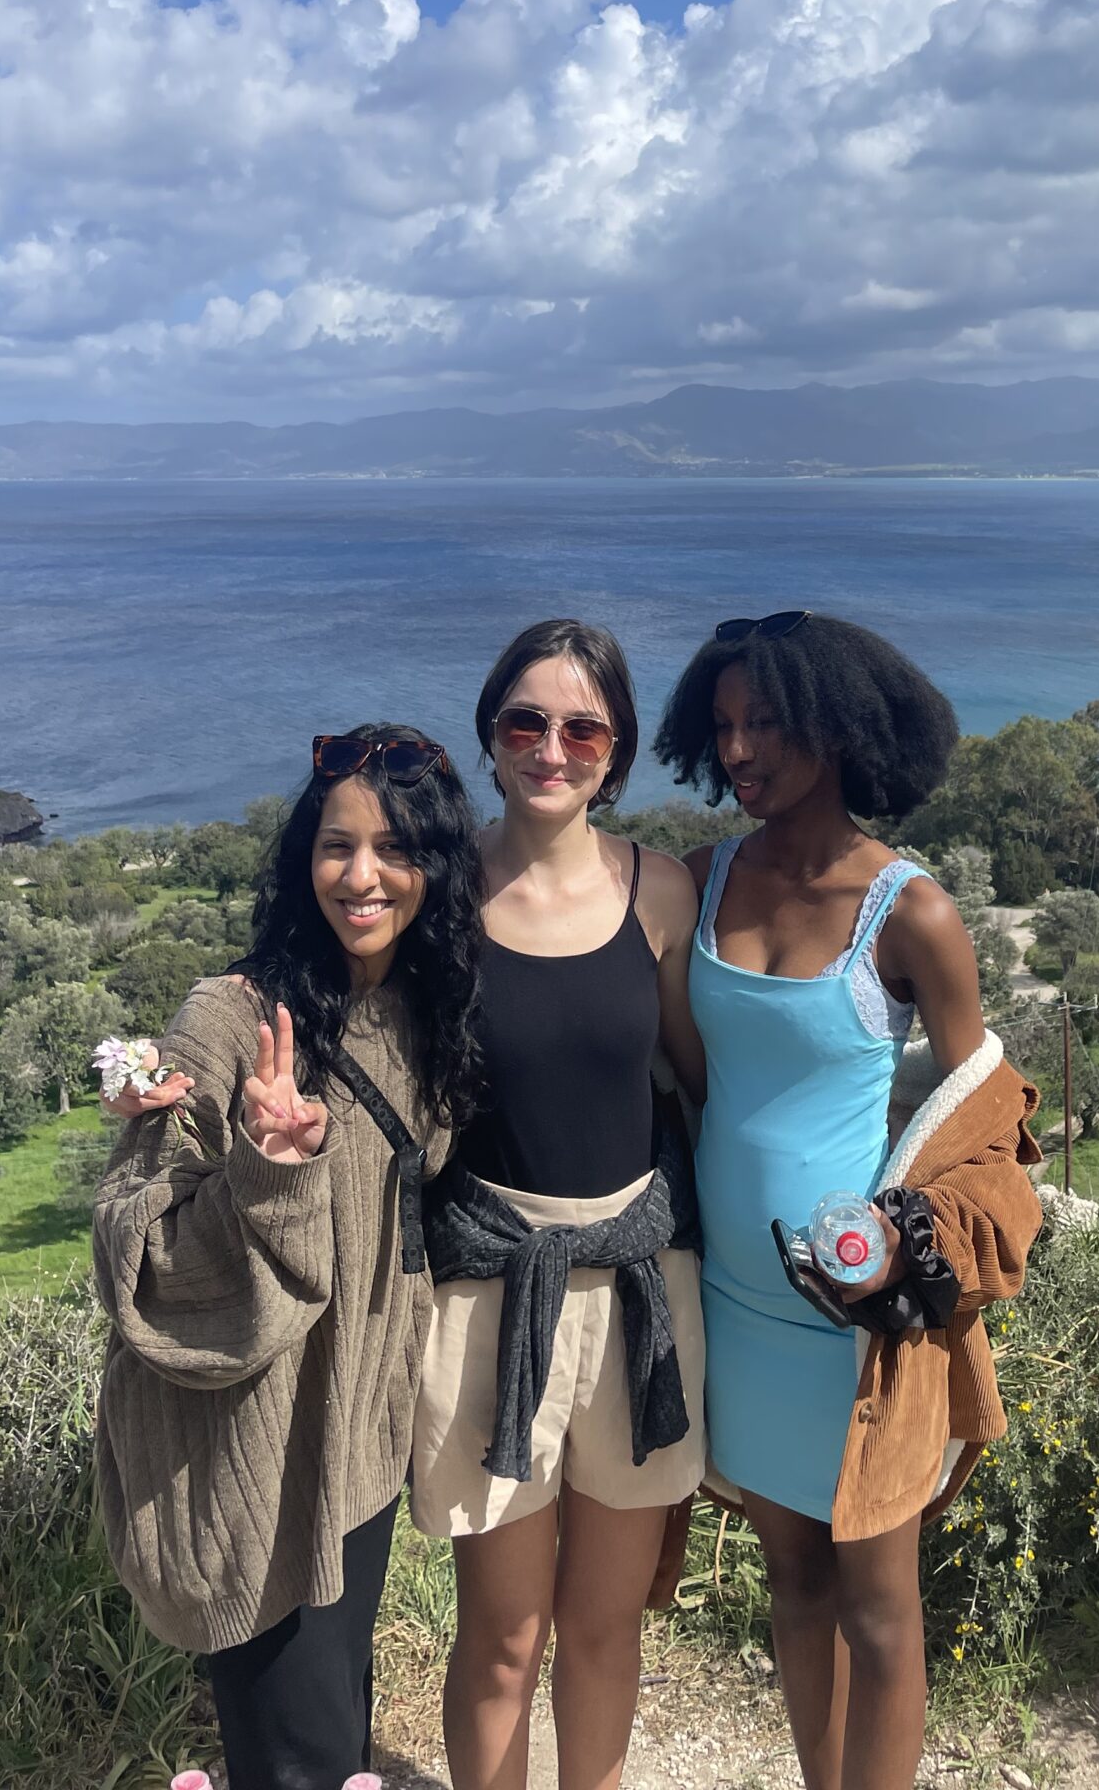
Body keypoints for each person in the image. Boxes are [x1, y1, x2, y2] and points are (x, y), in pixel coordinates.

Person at [653, 611, 1043, 1790]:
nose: (740, 749)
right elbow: (701, 1085)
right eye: (722, 725)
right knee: (794, 1583)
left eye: (764, 721)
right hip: (738, 1299)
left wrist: (914, 1258)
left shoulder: (909, 911)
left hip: (862, 1319)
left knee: (880, 1608)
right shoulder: (698, 881)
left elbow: (982, 1118)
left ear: (837, 724)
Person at [93, 725, 485, 1790]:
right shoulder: (229, 1018)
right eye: (335, 845)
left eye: (396, 848)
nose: (362, 876)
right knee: (298, 1756)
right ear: (301, 857)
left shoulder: (425, 1006)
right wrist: (269, 1166)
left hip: (360, 1430)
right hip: (258, 1451)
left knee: (331, 1730)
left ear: (435, 866)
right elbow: (139, 1248)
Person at [415, 617, 705, 1790]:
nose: (552, 744)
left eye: (583, 725)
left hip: (640, 1297)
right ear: (490, 737)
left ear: (616, 750)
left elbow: (695, 1077)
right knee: (500, 1636)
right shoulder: (435, 898)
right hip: (488, 1301)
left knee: (604, 1623)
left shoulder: (661, 894)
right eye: (526, 720)